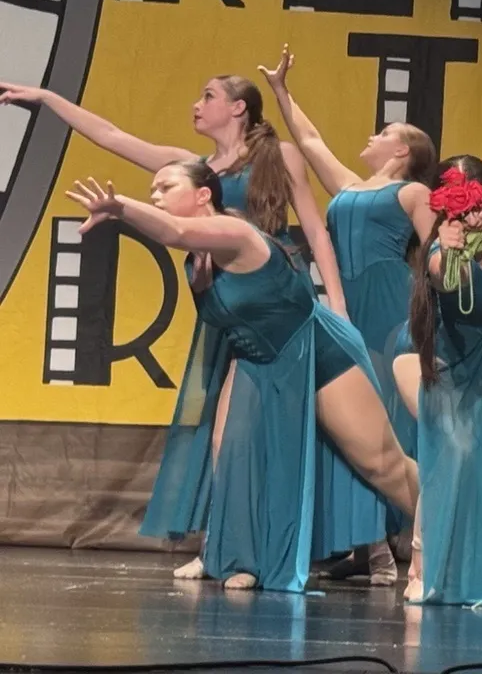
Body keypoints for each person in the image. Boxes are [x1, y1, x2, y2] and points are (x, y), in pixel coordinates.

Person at [0, 75, 344, 580]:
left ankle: (288, 549)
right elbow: (113, 137)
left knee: (278, 430)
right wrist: (49, 99)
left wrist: (335, 302)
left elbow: (313, 227)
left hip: (273, 305)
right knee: (219, 433)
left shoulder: (280, 157)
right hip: (223, 301)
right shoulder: (196, 169)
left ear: (239, 108)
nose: (196, 105)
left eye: (208, 96)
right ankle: (223, 546)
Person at [64, 162, 419, 592]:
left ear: (203, 195)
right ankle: (243, 558)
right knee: (231, 452)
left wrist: (119, 207)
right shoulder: (196, 259)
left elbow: (174, 230)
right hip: (256, 358)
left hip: (315, 349)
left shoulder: (237, 234)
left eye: (166, 186)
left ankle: (443, 535)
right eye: (152, 189)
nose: (155, 194)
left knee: (380, 463)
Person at [258, 45, 438, 584]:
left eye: (385, 131)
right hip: (342, 307)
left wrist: (431, 325)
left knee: (380, 424)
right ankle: (364, 546)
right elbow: (309, 142)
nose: (373, 135)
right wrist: (281, 91)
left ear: (403, 150)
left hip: (387, 310)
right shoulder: (351, 188)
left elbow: (436, 258)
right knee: (341, 424)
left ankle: (391, 547)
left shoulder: (413, 191)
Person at [393, 155, 482, 605]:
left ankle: (478, 567)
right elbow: (449, 284)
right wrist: (449, 251)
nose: (475, 216)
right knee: (451, 455)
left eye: (481, 203)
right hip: (446, 360)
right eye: (462, 210)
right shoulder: (440, 258)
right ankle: (422, 564)